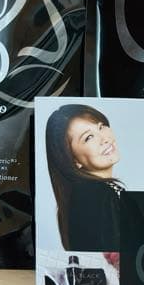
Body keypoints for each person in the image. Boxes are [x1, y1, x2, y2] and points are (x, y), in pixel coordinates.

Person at [45, 104, 124, 252]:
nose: (104, 139)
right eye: (89, 137)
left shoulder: (84, 193)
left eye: (101, 127)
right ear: (73, 159)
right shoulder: (98, 195)